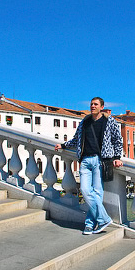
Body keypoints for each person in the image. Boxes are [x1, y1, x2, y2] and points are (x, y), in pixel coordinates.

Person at [55, 97, 123, 235]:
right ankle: (103, 219)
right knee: (85, 191)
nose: (92, 106)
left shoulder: (109, 121)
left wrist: (117, 157)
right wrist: (63, 145)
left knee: (97, 193)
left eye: (95, 104)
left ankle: (89, 224)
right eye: (91, 104)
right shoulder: (84, 121)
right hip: (85, 160)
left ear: (102, 107)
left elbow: (117, 140)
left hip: (100, 161)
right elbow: (76, 139)